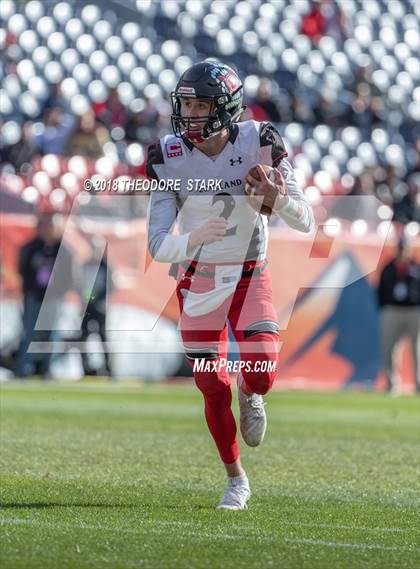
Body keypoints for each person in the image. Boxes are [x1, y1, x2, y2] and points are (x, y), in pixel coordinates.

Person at [147, 61, 314, 510]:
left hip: (247, 273)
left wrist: (277, 200)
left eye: (201, 105)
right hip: (198, 280)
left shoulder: (259, 140)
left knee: (260, 376)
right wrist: (192, 240)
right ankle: (235, 479)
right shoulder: (168, 154)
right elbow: (159, 246)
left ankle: (251, 392)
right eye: (186, 104)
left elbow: (307, 221)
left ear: (226, 108)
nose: (191, 114)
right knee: (210, 385)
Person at [15, 213, 74, 378]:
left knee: (51, 334)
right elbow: (23, 271)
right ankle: (23, 368)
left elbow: (69, 276)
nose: (47, 230)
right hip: (34, 297)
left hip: (53, 299)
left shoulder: (63, 250)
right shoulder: (31, 247)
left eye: (50, 226)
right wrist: (31, 291)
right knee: (29, 333)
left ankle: (46, 369)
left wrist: (56, 292)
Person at [378, 239, 420, 393]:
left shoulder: (415, 267)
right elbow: (381, 290)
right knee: (389, 348)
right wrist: (384, 309)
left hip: (413, 310)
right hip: (392, 310)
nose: (403, 251)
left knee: (416, 349)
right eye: (400, 248)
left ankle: (418, 384)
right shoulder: (389, 268)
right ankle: (392, 384)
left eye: (405, 248)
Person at [78, 244, 113, 377]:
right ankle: (86, 367)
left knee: (102, 337)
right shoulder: (85, 264)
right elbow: (78, 283)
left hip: (99, 307)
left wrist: (97, 297)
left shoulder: (105, 266)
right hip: (86, 307)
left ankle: (107, 367)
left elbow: (111, 286)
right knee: (83, 337)